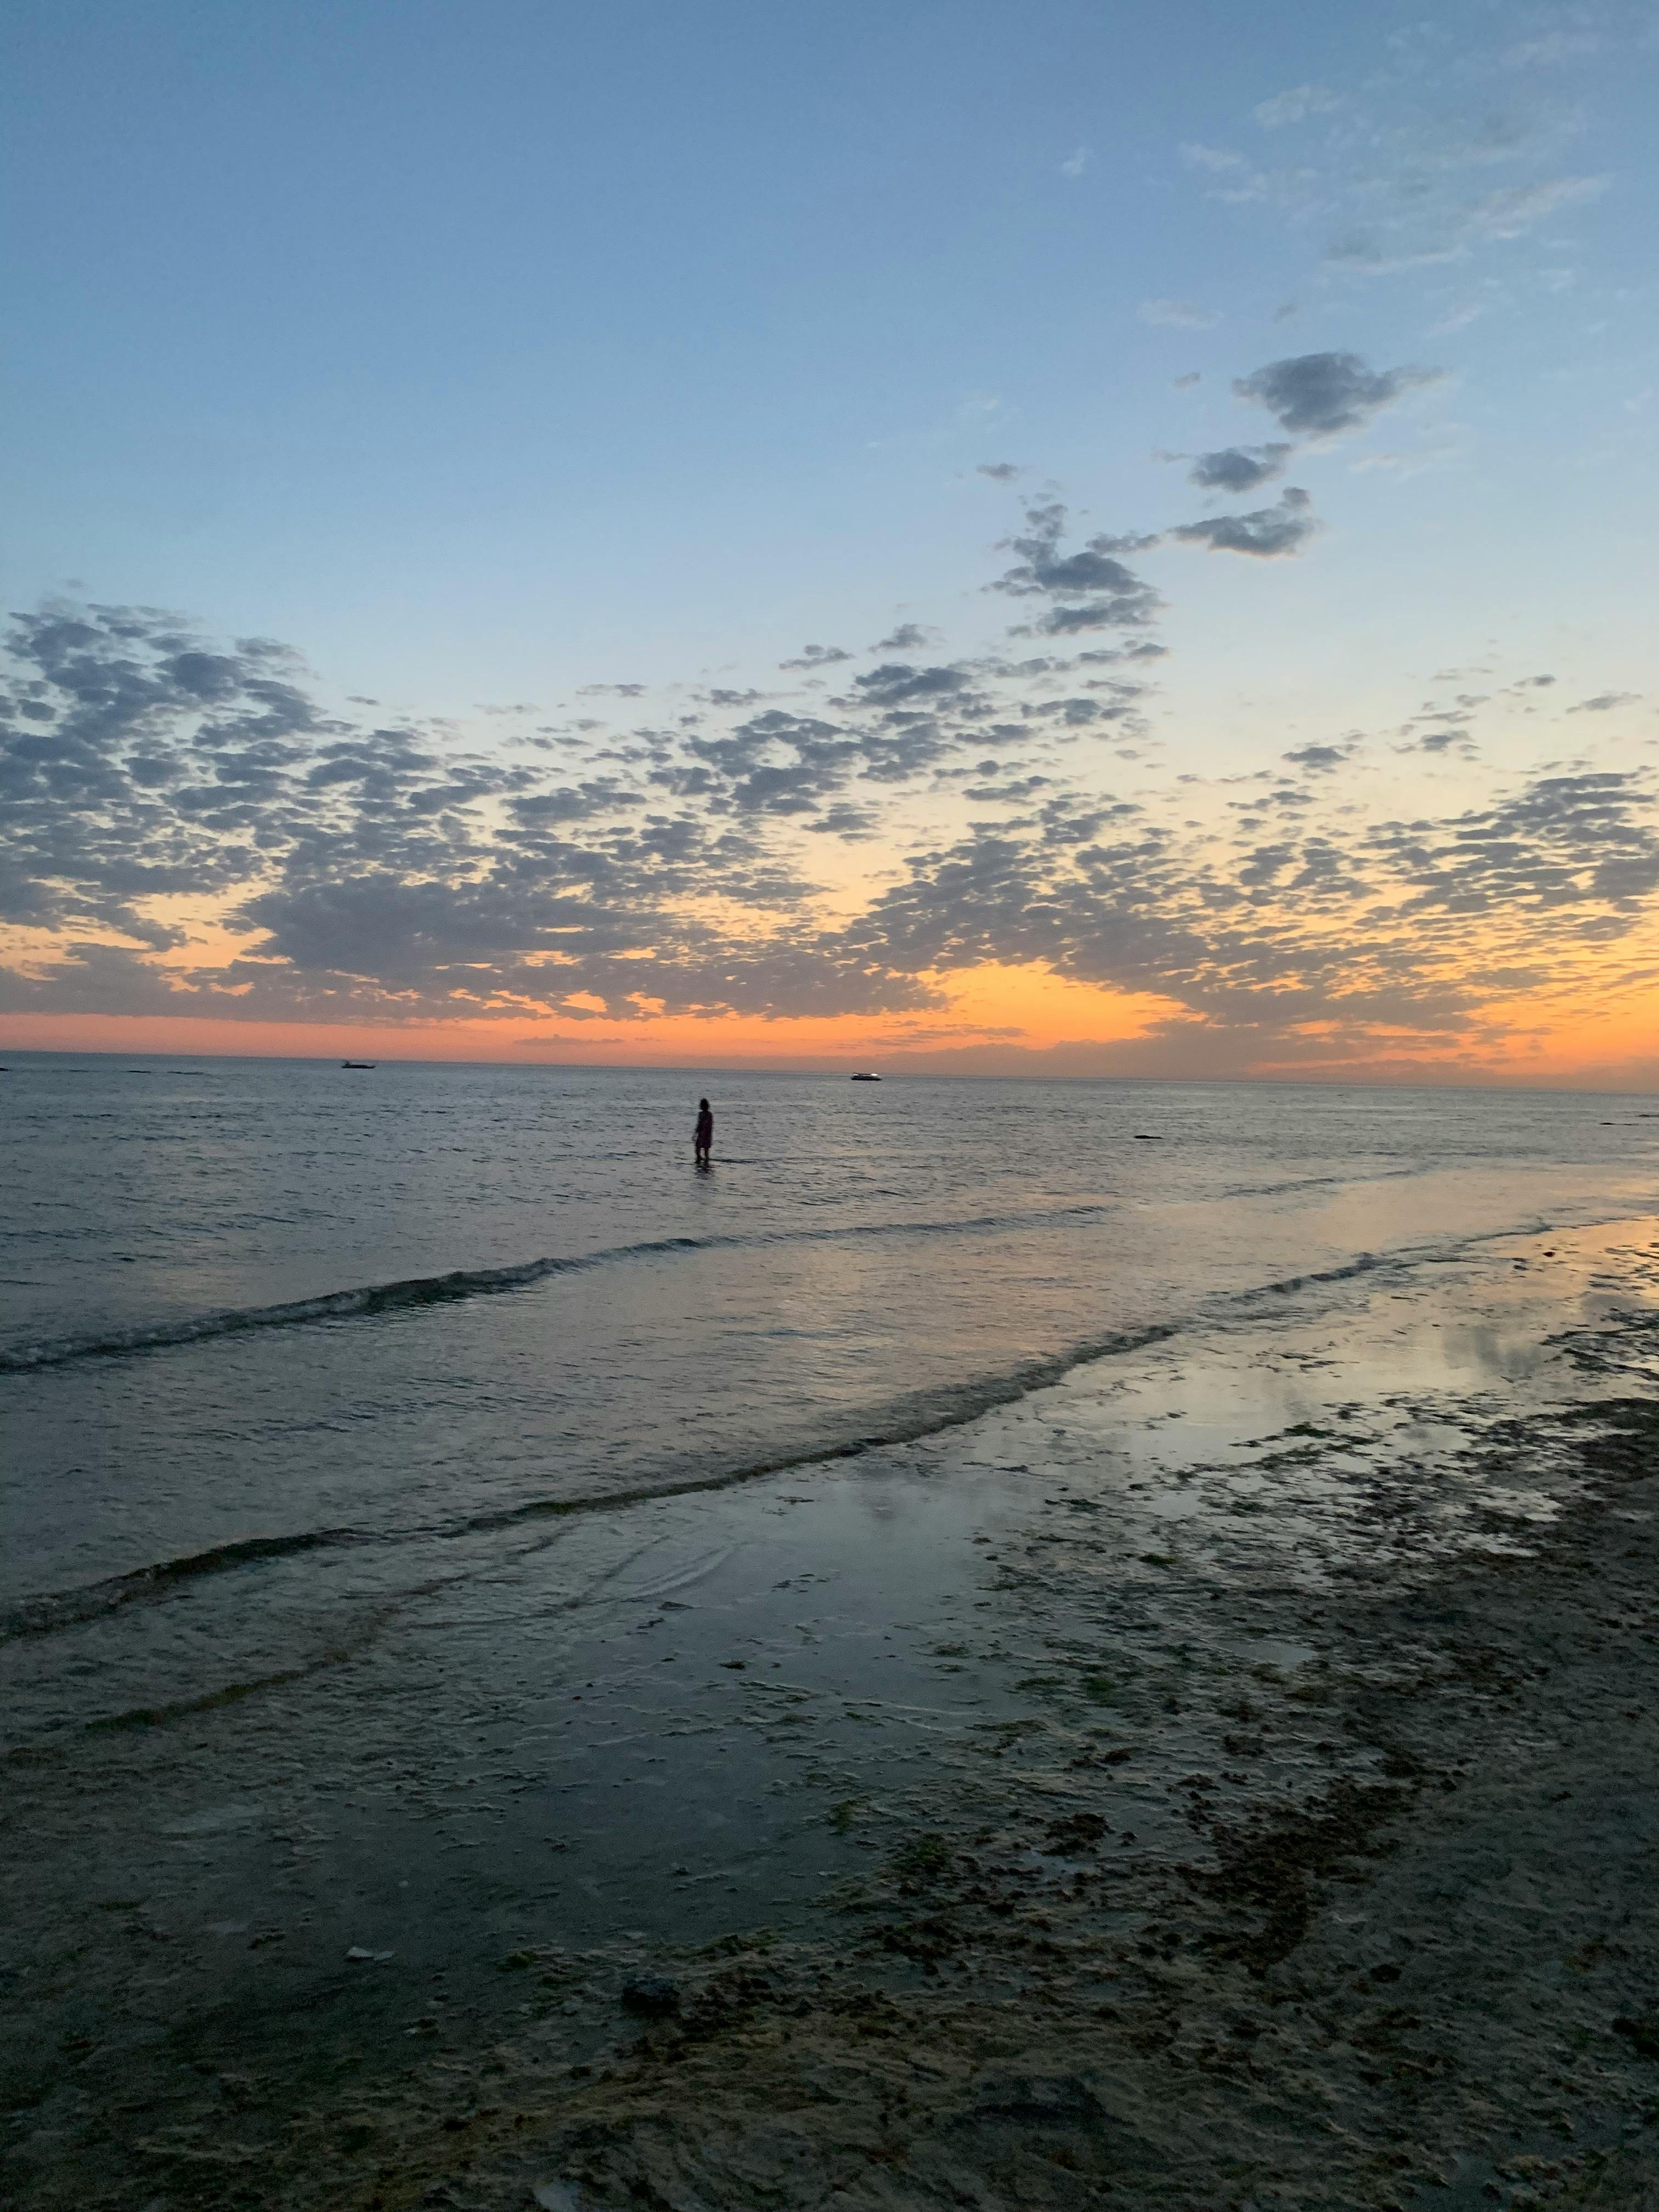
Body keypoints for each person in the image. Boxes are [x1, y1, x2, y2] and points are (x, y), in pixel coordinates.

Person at [694, 1096, 713, 1166]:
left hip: (706, 1134)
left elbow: (705, 1124)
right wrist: (696, 1132)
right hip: (703, 1134)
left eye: (701, 1105)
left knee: (705, 1151)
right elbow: (699, 1124)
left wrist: (699, 1131)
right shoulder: (701, 1114)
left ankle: (705, 1161)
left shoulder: (709, 1115)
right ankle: (700, 1160)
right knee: (698, 1149)